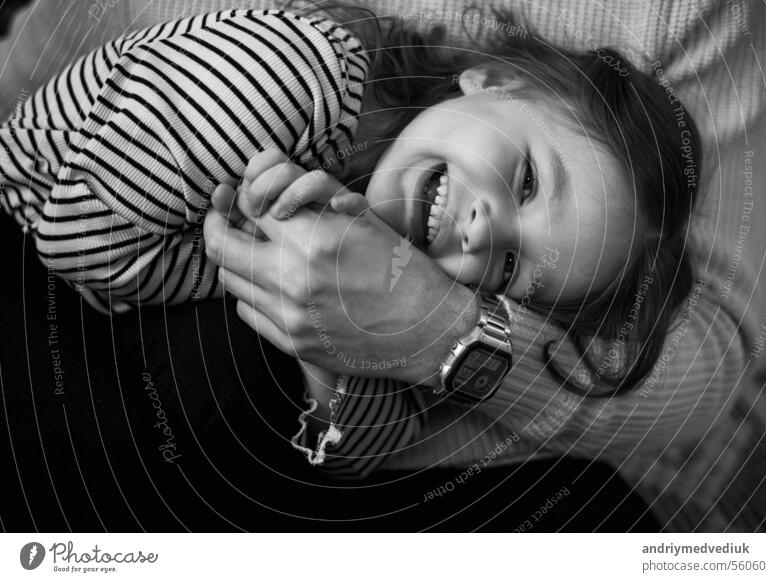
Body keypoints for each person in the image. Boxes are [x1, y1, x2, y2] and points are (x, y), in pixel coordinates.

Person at [0, 1, 703, 480]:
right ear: (492, 81)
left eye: (513, 267)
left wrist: (331, 350)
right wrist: (247, 256)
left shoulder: (416, 284)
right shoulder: (289, 78)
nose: (484, 233)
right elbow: (76, 243)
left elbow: (350, 450)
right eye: (524, 181)